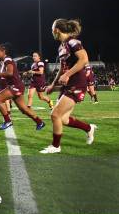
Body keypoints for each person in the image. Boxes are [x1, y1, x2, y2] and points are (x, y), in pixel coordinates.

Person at [40, 19, 96, 154]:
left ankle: (55, 146)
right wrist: (53, 84)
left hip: (77, 83)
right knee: (63, 119)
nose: (52, 32)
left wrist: (68, 74)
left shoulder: (73, 42)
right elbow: (62, 68)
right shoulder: (61, 46)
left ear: (57, 30)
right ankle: (89, 128)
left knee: (54, 115)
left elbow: (84, 59)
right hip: (67, 84)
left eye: (52, 29)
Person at [0, 43, 45, 131]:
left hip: (15, 86)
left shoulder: (7, 59)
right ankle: (40, 122)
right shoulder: (1, 64)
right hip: (16, 86)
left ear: (3, 51)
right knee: (24, 109)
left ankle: (8, 121)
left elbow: (10, 73)